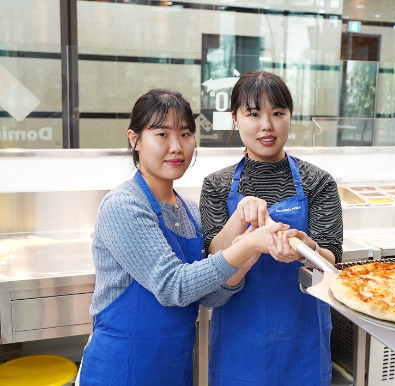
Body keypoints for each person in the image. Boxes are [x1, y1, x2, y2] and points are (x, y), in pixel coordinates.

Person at [76, 88, 288, 386]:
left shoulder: (188, 210)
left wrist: (243, 264)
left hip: (173, 371)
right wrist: (248, 245)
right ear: (134, 139)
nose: (177, 147)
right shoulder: (123, 204)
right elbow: (172, 286)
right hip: (119, 370)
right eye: (162, 134)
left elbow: (208, 296)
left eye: (185, 134)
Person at [200, 70, 344, 385]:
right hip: (239, 338)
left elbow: (331, 262)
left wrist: (307, 248)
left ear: (290, 117)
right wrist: (239, 217)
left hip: (302, 335)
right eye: (254, 114)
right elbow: (213, 260)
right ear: (236, 118)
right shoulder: (216, 185)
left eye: (278, 113)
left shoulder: (318, 182)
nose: (267, 125)